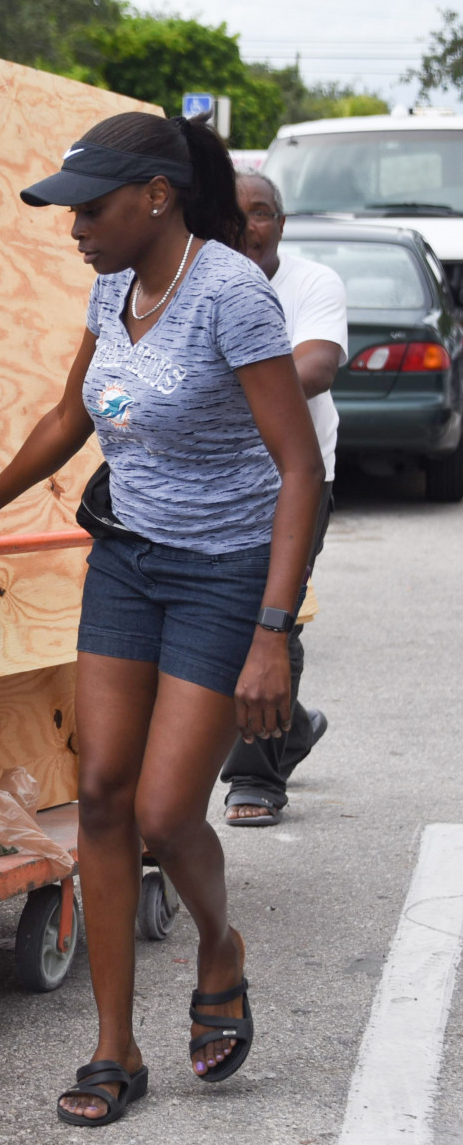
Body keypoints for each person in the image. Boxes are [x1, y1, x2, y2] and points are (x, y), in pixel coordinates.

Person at [0, 113, 323, 1126]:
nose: (75, 227)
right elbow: (73, 414)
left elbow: (301, 468)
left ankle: (217, 942)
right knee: (102, 798)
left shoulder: (231, 295)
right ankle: (115, 1045)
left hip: (222, 571)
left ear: (156, 196)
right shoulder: (112, 283)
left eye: (92, 206)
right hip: (128, 559)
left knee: (163, 811)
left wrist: (271, 628)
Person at [221, 172, 347, 827]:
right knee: (221, 618)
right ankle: (292, 723)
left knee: (275, 615)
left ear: (282, 223)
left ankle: (257, 775)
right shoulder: (204, 278)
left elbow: (318, 365)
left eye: (263, 213)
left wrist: (226, 383)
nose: (249, 225)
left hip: (298, 474)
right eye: (236, 214)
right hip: (218, 475)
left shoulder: (312, 283)